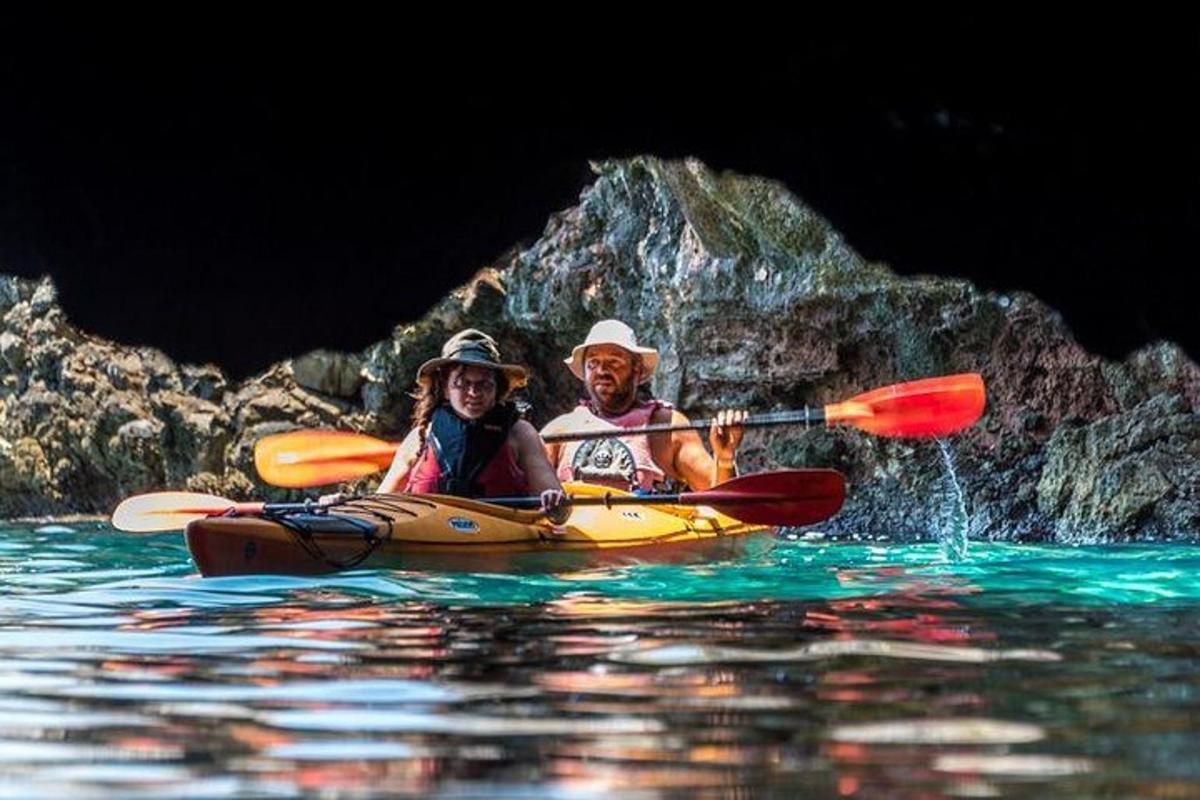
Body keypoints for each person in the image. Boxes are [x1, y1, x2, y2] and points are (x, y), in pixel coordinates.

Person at [373, 329, 566, 518]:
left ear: (497, 389)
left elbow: (562, 511)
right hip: (429, 539)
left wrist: (552, 502)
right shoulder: (421, 435)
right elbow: (378, 506)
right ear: (445, 388)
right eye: (463, 383)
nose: (474, 393)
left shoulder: (520, 434)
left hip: (500, 540)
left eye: (484, 384)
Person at [541, 319, 746, 491]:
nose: (602, 371)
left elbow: (719, 495)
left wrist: (725, 458)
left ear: (637, 370)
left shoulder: (667, 427)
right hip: (574, 535)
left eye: (614, 362)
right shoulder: (560, 431)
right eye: (593, 364)